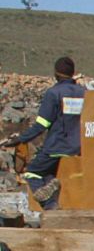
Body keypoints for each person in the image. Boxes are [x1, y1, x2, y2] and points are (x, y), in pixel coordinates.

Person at [1, 57, 84, 210]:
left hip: (57, 147)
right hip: (78, 148)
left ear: (56, 74)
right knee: (49, 176)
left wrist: (20, 139)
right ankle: (53, 197)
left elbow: (42, 125)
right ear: (73, 73)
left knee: (33, 173)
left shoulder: (54, 93)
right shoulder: (83, 93)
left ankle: (49, 205)